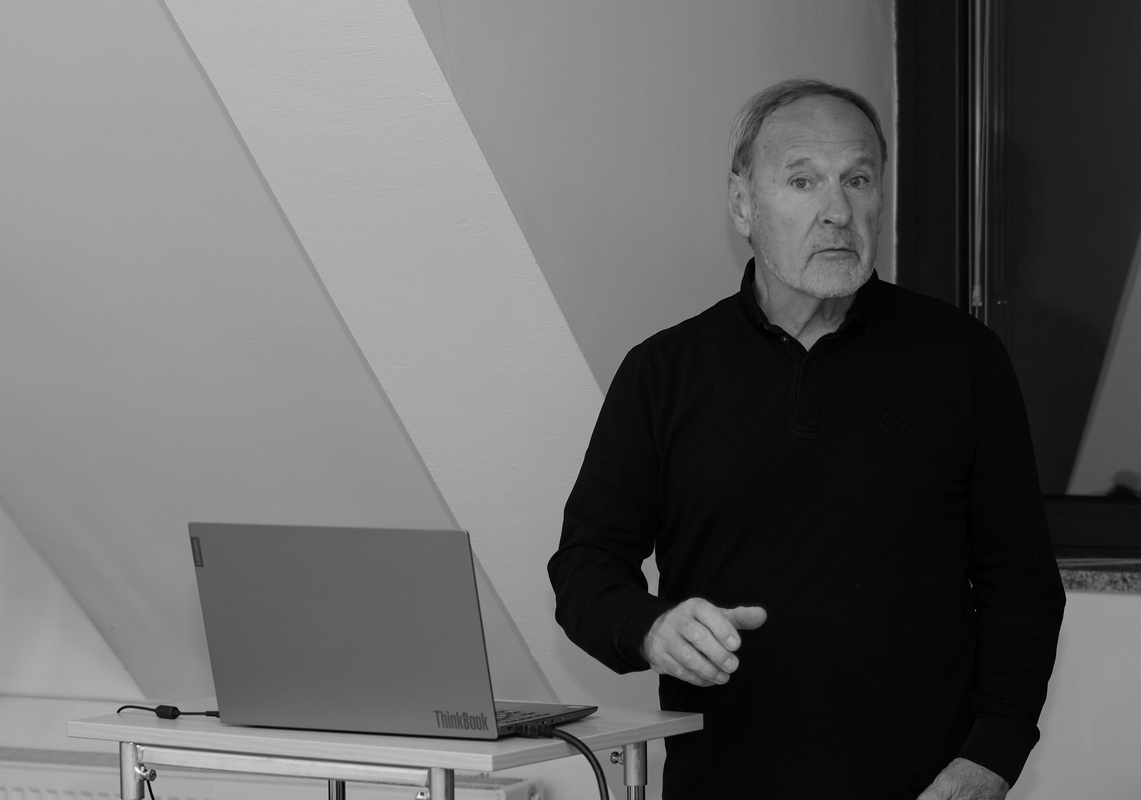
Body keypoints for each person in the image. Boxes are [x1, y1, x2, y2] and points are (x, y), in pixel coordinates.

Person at [547, 78, 1065, 799]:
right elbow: (585, 566)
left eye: (858, 179)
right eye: (802, 181)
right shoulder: (663, 372)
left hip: (926, 784)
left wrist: (991, 758)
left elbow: (1021, 583)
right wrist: (649, 627)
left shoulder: (962, 359)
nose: (837, 211)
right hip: (722, 783)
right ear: (742, 204)